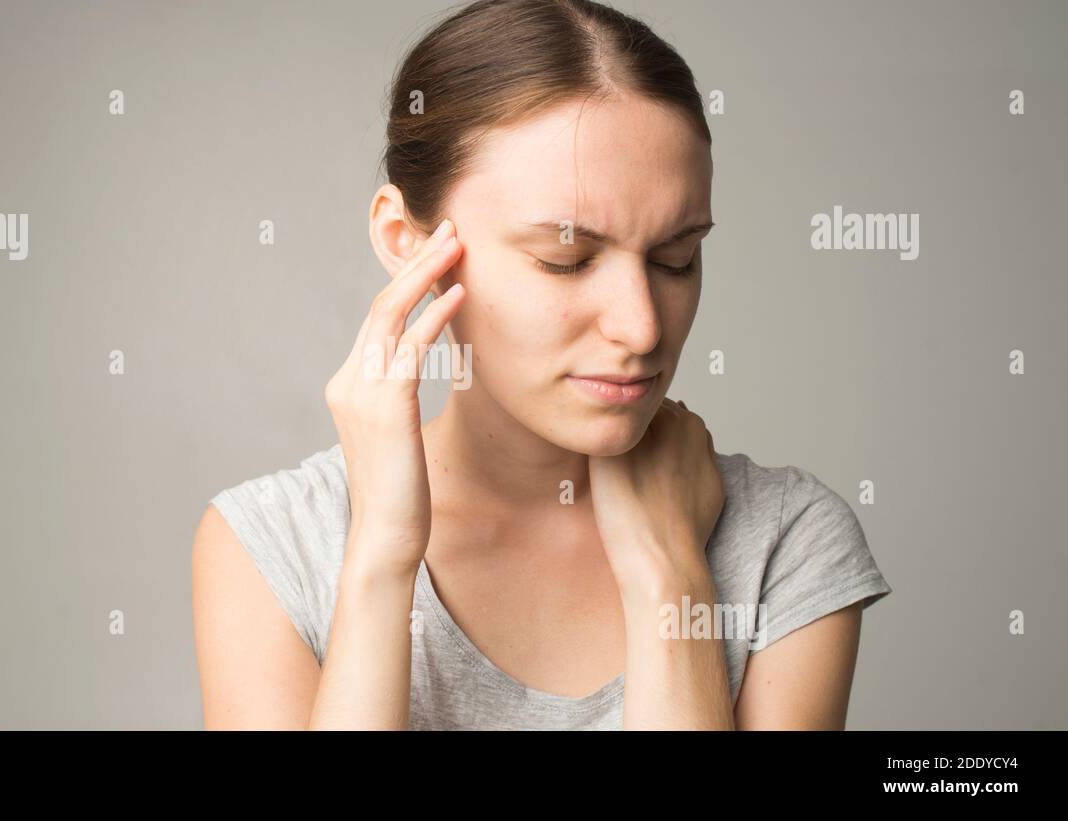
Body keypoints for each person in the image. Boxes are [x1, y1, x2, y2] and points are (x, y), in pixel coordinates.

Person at [191, 0, 891, 730]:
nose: (642, 325)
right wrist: (381, 559)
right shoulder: (271, 546)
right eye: (567, 261)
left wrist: (668, 571)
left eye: (676, 259)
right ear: (408, 242)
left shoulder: (784, 542)